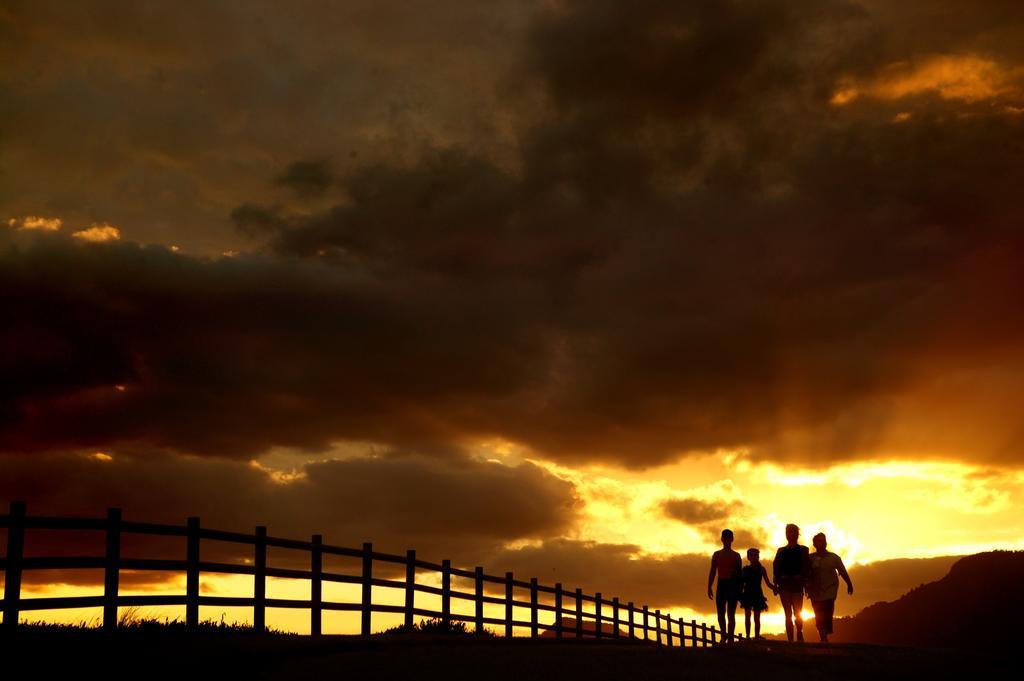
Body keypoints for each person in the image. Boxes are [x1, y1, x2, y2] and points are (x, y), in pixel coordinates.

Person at [806, 532, 853, 642]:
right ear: (814, 544)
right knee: (818, 614)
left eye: (823, 541)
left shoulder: (834, 557)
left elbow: (842, 571)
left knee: (827, 613)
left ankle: (824, 635)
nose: (822, 543)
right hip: (815, 592)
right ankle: (823, 638)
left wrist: (849, 583)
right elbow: (806, 573)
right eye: (819, 541)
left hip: (830, 590)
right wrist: (807, 586)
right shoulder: (810, 558)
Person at [773, 523, 810, 642]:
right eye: (788, 532)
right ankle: (790, 640)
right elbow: (776, 567)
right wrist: (777, 580)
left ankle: (799, 631)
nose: (789, 534)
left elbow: (806, 566)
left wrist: (804, 579)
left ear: (797, 534)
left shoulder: (803, 550)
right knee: (787, 613)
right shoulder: (781, 551)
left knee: (798, 612)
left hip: (797, 584)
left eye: (792, 531)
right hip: (784, 584)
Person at [707, 528, 742, 642]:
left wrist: (740, 589)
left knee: (731, 613)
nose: (727, 540)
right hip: (721, 584)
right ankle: (723, 636)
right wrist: (709, 586)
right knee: (721, 613)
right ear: (722, 539)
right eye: (725, 538)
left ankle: (730, 637)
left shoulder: (736, 556)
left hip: (732, 585)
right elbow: (713, 571)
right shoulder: (717, 554)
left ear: (732, 539)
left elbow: (740, 574)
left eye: (729, 538)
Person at [740, 548, 776, 639]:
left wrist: (775, 588)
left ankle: (756, 636)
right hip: (747, 592)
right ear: (748, 557)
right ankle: (748, 636)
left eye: (755, 555)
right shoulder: (745, 569)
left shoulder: (761, 569)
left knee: (757, 617)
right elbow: (741, 582)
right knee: (747, 615)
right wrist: (739, 594)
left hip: (757, 593)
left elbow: (767, 583)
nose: (754, 557)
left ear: (758, 557)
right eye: (751, 555)